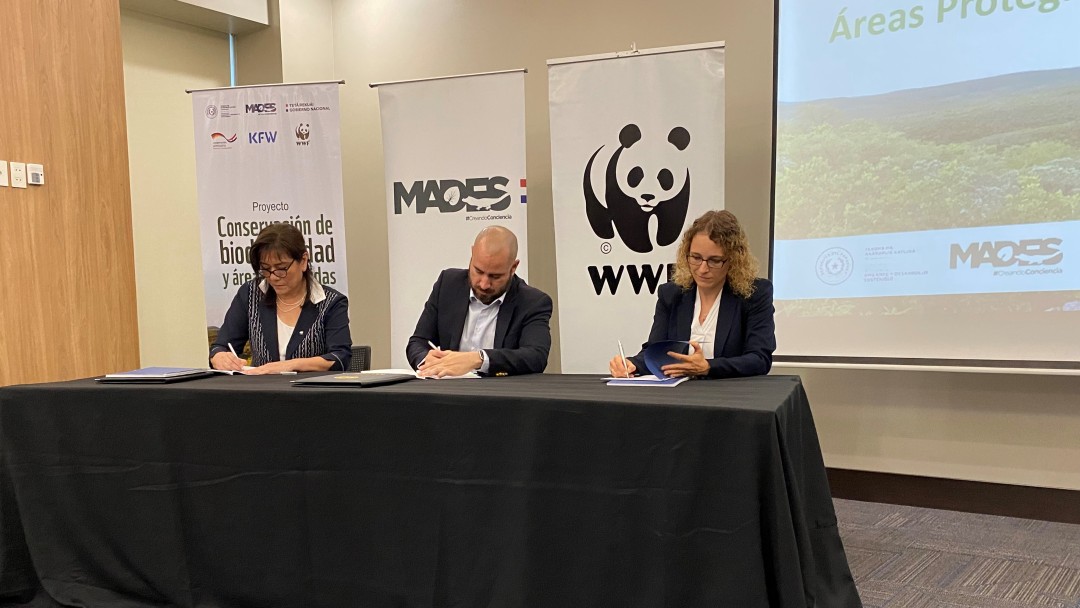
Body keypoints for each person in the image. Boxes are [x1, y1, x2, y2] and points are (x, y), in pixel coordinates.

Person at [609, 210, 775, 379]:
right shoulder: (671, 295)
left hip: (730, 397)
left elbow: (759, 359)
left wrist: (708, 367)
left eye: (714, 260)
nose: (703, 269)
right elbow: (656, 351)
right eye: (696, 258)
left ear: (734, 260)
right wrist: (631, 364)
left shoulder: (755, 294)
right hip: (680, 397)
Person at [407, 226, 552, 377]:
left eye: (495, 277)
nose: (484, 284)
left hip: (498, 394)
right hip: (447, 389)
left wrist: (478, 359)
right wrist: (427, 361)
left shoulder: (533, 302)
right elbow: (417, 342)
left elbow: (536, 357)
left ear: (513, 267)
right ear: (472, 255)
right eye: (478, 271)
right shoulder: (448, 285)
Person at [210, 223, 351, 374]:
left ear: (303, 261)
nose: (273, 276)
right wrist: (219, 357)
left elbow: (339, 358)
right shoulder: (251, 293)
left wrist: (289, 365)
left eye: (281, 268)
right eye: (265, 269)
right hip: (261, 392)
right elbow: (221, 346)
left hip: (311, 393)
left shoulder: (330, 302)